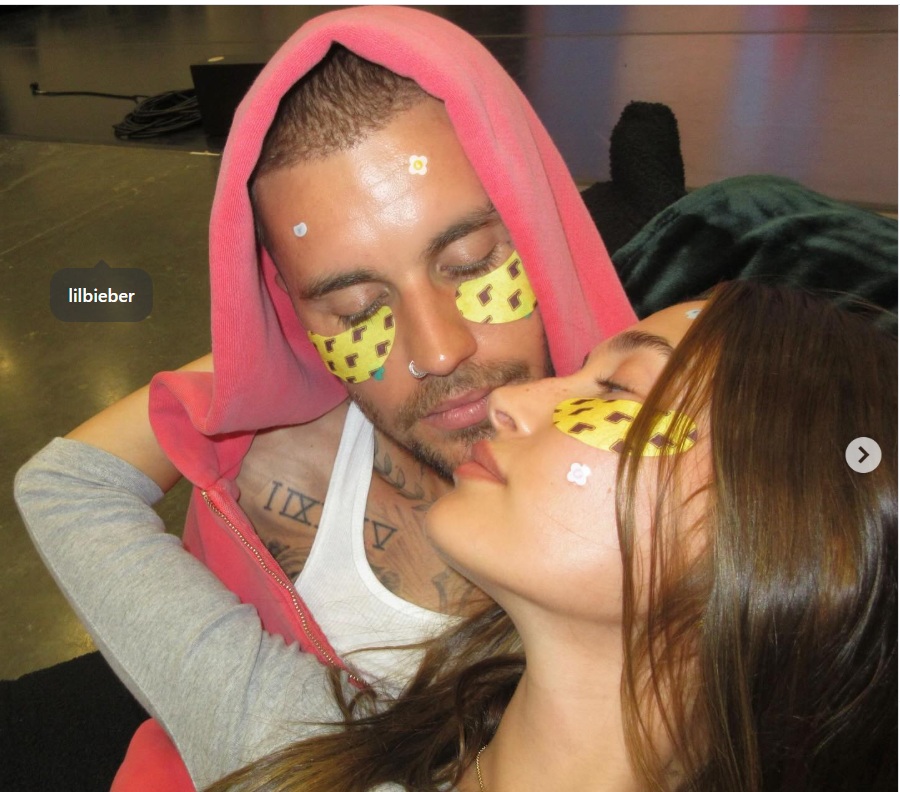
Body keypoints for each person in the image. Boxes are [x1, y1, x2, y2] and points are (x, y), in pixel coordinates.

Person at [15, 281, 897, 791]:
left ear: (785, 537)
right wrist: (324, 341)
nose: (513, 401)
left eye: (619, 393)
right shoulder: (307, 744)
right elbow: (72, 487)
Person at [61, 7, 635, 788]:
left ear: (543, 227)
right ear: (296, 319)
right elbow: (69, 486)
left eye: (472, 264)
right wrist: (257, 359)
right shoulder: (264, 488)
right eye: (358, 311)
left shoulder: (691, 490)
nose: (437, 352)